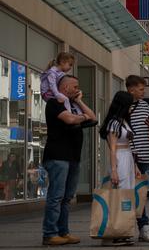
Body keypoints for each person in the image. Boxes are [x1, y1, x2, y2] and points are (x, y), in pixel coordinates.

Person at [42, 75, 96, 246]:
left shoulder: (72, 105)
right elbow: (70, 119)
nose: (78, 89)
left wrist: (79, 102)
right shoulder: (54, 103)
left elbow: (93, 118)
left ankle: (63, 232)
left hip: (73, 157)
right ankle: (50, 234)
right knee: (56, 196)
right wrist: (82, 118)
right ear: (65, 88)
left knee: (67, 198)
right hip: (58, 156)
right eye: (75, 86)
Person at [99, 91, 141, 246]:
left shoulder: (123, 121)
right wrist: (114, 170)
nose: (132, 107)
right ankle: (116, 232)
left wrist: (135, 166)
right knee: (121, 195)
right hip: (120, 159)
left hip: (127, 159)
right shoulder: (114, 123)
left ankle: (123, 231)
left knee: (127, 196)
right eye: (130, 104)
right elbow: (112, 148)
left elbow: (129, 145)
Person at [125, 75, 149, 242]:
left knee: (140, 194)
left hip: (145, 154)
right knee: (131, 194)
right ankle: (137, 227)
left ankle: (141, 229)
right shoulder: (123, 106)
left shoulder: (145, 105)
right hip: (130, 155)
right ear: (131, 89)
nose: (143, 92)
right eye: (140, 89)